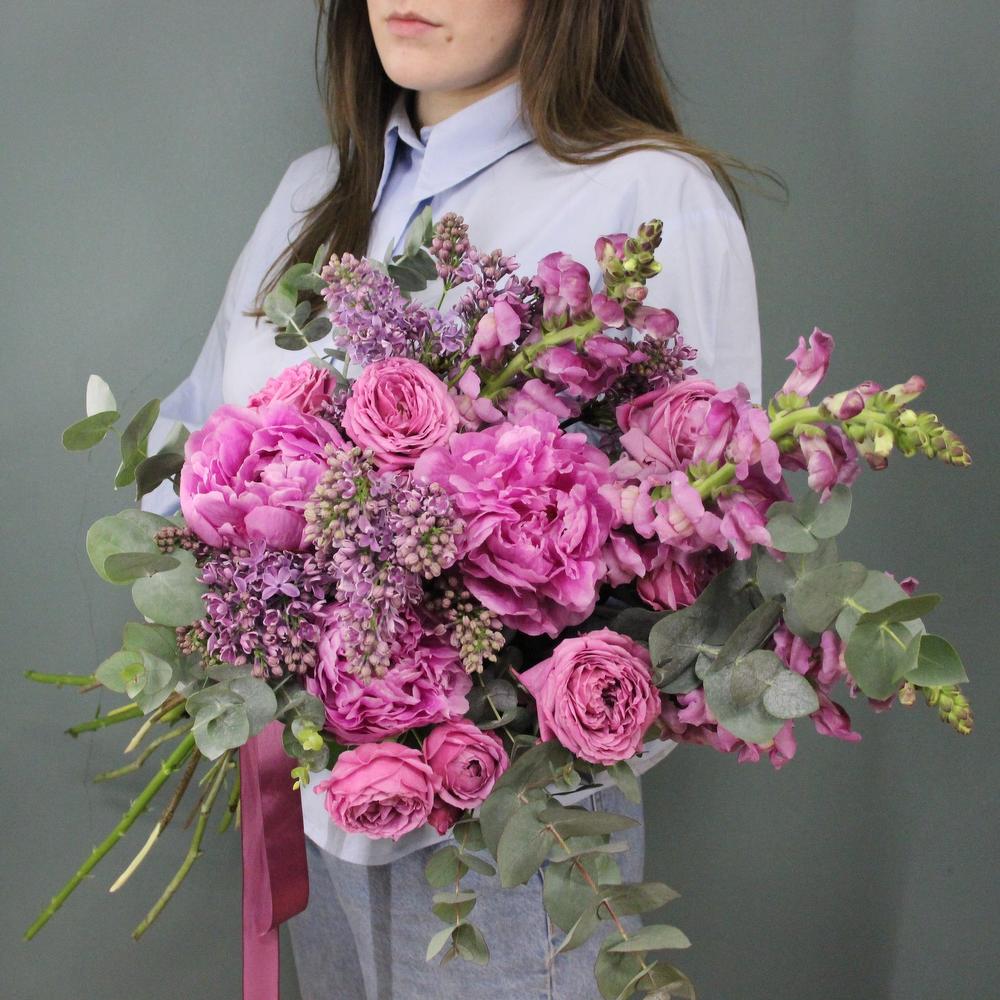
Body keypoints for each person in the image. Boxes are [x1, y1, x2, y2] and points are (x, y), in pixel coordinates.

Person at [143, 2, 769, 996]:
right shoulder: (313, 190)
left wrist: (489, 735)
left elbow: (698, 551)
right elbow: (188, 448)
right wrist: (228, 608)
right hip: (314, 809)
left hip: (515, 841)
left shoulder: (649, 194)